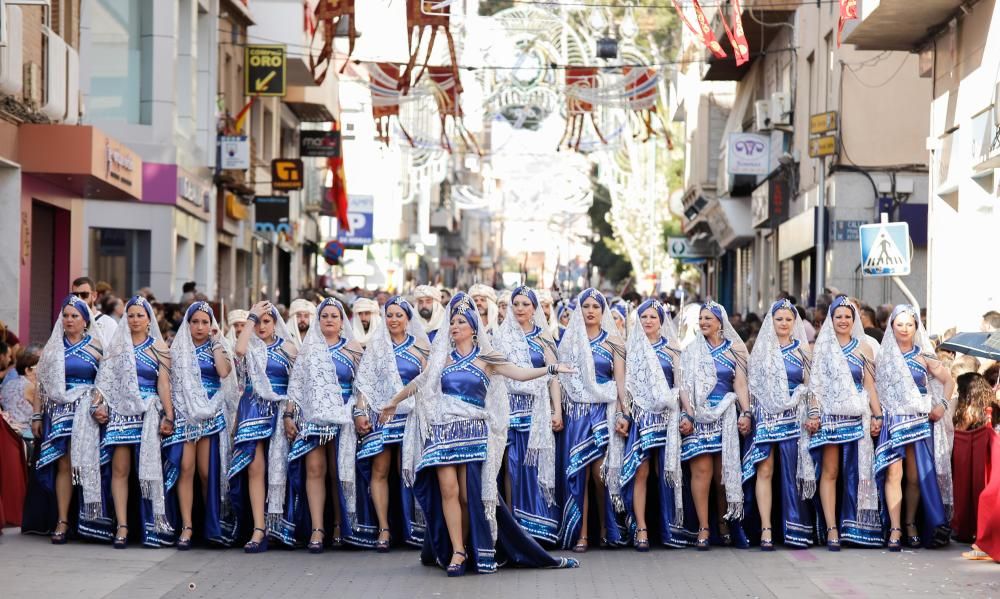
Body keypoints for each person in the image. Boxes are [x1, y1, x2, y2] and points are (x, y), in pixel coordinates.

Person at [379, 292, 578, 576]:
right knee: (448, 491)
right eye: (453, 322)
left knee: (467, 496)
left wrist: (552, 368)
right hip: (444, 430)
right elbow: (421, 382)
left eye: (461, 321)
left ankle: (474, 547)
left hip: (474, 432)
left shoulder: (487, 358)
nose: (455, 326)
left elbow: (519, 373)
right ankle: (457, 552)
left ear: (473, 327)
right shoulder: (443, 358)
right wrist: (395, 400)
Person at [271, 298, 362, 552]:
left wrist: (359, 410)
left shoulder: (352, 349)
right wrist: (289, 415)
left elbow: (362, 385)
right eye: (324, 316)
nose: (330, 319)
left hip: (342, 416)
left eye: (334, 316)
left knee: (337, 472)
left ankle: (338, 525)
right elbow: (296, 386)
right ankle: (317, 529)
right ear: (318, 321)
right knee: (314, 469)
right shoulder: (309, 350)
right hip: (313, 417)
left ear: (342, 321)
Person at [24, 295, 111, 543]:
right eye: (66, 315)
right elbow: (42, 384)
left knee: (86, 465)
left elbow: (105, 382)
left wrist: (98, 404)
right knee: (64, 465)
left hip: (88, 413)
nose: (69, 320)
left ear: (85, 320)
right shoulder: (53, 349)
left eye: (75, 316)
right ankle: (62, 520)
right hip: (59, 412)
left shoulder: (97, 346)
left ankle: (90, 521)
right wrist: (37, 415)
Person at [92, 296, 175, 548]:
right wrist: (98, 404)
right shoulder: (117, 347)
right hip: (120, 411)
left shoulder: (159, 347)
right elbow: (104, 382)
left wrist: (169, 415)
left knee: (147, 472)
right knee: (120, 470)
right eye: (130, 315)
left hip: (148, 413)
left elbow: (164, 384)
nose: (135, 320)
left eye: (140, 315)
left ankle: (150, 526)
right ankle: (122, 526)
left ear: (149, 319)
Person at [875, 305, 955, 550]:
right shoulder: (882, 357)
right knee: (894, 474)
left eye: (909, 324)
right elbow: (874, 389)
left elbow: (949, 380)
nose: (904, 329)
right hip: (893, 422)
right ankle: (896, 528)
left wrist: (941, 405)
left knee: (913, 476)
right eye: (899, 324)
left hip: (919, 422)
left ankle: (910, 522)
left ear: (916, 327)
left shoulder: (924, 355)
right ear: (891, 327)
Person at [354, 296, 430, 551]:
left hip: (410, 417)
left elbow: (429, 383)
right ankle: (384, 529)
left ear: (408, 319)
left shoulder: (420, 347)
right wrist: (360, 412)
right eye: (389, 315)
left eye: (399, 315)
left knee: (408, 470)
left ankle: (414, 527)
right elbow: (364, 383)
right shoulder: (377, 347)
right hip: (382, 416)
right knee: (380, 470)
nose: (394, 320)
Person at [556, 288, 629, 552]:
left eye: (595, 306)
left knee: (602, 475)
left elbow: (620, 382)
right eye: (585, 305)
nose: (590, 310)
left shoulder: (614, 342)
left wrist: (624, 413)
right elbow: (561, 380)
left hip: (604, 413)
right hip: (576, 414)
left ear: (603, 311)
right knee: (580, 475)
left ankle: (606, 529)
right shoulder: (569, 341)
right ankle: (582, 534)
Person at [807, 296, 882, 549]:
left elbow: (870, 386)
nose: (842, 320)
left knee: (857, 474)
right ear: (831, 319)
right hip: (829, 418)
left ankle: (856, 527)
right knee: (830, 472)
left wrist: (877, 415)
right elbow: (815, 386)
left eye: (847, 316)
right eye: (838, 316)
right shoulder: (823, 347)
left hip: (857, 417)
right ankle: (831, 529)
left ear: (854, 319)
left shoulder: (864, 348)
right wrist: (814, 413)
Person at [678, 301, 752, 550]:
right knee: (702, 473)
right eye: (701, 318)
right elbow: (685, 386)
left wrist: (747, 412)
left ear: (721, 322)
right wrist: (687, 414)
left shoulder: (735, 351)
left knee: (724, 475)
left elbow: (740, 384)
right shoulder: (690, 350)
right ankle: (703, 527)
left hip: (726, 417)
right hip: (698, 416)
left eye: (709, 318)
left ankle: (725, 524)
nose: (704, 322)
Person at [165, 302, 239, 548]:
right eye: (195, 322)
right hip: (186, 414)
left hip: (211, 412)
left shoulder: (218, 346)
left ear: (212, 325)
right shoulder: (178, 349)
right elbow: (172, 384)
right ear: (188, 324)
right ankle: (186, 527)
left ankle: (211, 524)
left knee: (207, 473)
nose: (200, 327)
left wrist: (217, 342)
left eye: (205, 322)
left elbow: (224, 372)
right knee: (186, 469)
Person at [743, 299, 816, 550]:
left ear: (794, 322)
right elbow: (752, 388)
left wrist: (813, 413)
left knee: (792, 472)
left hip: (795, 417)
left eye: (788, 319)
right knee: (765, 470)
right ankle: (765, 528)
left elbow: (811, 386)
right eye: (779, 319)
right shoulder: (761, 352)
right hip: (766, 416)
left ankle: (794, 527)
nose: (784, 323)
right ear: (771, 322)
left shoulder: (803, 352)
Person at [492, 286, 563, 544]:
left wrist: (557, 409)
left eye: (525, 304)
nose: (520, 308)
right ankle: (514, 529)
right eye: (516, 304)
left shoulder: (544, 338)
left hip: (537, 408)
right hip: (509, 407)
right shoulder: (500, 337)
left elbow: (552, 376)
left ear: (534, 308)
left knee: (533, 466)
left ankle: (538, 527)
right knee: (511, 467)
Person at [228, 302, 297, 553]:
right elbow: (239, 349)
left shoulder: (289, 347)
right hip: (253, 408)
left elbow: (296, 385)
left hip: (280, 411)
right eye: (257, 322)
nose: (261, 327)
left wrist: (290, 414)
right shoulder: (250, 346)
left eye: (266, 321)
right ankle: (258, 528)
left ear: (276, 322)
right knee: (255, 468)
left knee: (279, 468)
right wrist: (251, 317)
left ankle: (279, 524)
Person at [620, 299, 685, 550]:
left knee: (666, 472)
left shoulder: (672, 351)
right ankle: (642, 528)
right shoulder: (631, 350)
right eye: (643, 317)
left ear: (661, 321)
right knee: (641, 472)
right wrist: (624, 414)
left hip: (667, 417)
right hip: (641, 418)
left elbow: (680, 385)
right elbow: (624, 388)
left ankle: (669, 528)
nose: (648, 321)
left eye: (652, 317)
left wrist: (686, 414)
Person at [951, 372, 997, 543]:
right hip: (989, 460)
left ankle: (966, 528)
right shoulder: (993, 406)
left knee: (967, 491)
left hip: (972, 458)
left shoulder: (969, 411)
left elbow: (959, 433)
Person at [1, 345, 40, 436]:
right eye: (38, 368)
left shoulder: (9, 383)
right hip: (24, 431)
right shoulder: (30, 387)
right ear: (27, 370)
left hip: (7, 428)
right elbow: (41, 411)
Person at [72, 277, 117, 346]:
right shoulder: (68, 322)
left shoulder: (109, 324)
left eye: (84, 295)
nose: (79, 299)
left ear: (94, 296)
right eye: (75, 295)